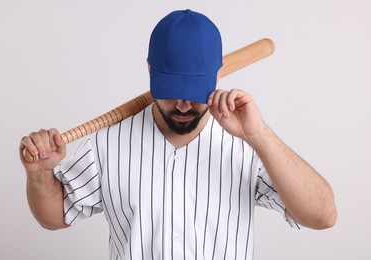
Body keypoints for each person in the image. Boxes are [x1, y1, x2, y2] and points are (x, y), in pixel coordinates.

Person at [19, 9, 337, 260]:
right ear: (149, 71)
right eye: (172, 90)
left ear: (217, 74)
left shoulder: (249, 145)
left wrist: (260, 134)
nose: (183, 104)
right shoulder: (107, 142)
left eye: (193, 90)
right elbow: (54, 217)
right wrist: (40, 174)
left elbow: (322, 216)